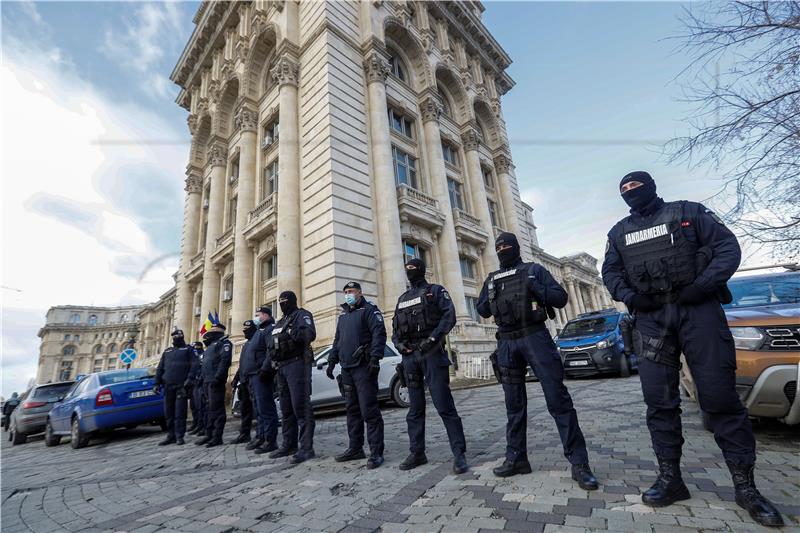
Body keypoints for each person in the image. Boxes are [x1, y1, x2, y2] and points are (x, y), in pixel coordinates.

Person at [602, 171, 783, 527]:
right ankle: (671, 480)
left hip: (697, 310)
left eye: (636, 186)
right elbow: (611, 273)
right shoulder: (618, 233)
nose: (630, 192)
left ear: (652, 187)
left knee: (718, 398)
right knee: (659, 402)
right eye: (624, 189)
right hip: (653, 317)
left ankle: (746, 488)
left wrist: (702, 286)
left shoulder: (690, 212)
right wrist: (629, 296)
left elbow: (727, 248)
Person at [477, 232, 598, 489]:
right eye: (498, 247)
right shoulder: (492, 279)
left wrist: (535, 289)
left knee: (558, 400)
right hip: (507, 343)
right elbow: (482, 309)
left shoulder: (534, 270)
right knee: (514, 405)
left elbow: (560, 298)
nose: (502, 249)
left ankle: (579, 463)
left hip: (535, 338)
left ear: (516, 248)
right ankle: (516, 458)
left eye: (506, 245)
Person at [392, 259, 468, 475]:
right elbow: (395, 329)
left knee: (444, 405)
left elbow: (449, 316)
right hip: (410, 357)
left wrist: (434, 339)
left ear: (422, 270)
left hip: (432, 353)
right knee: (415, 410)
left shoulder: (435, 291)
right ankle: (417, 452)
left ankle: (459, 454)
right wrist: (399, 345)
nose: (410, 272)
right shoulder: (403, 299)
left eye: (413, 269)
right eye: (407, 269)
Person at [327, 281, 387, 469]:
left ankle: (376, 452)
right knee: (352, 410)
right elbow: (338, 340)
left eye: (351, 291)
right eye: (345, 292)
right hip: (347, 369)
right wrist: (331, 361)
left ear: (360, 293)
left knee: (369, 410)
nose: (348, 294)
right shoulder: (343, 315)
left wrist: (375, 357)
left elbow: (379, 333)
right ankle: (355, 448)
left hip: (363, 367)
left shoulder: (369, 310)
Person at [262, 291, 316, 464]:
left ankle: (306, 448)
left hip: (297, 364)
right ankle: (289, 444)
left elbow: (309, 335)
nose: (283, 304)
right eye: (280, 301)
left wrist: (293, 332)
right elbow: (272, 346)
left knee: (301, 406)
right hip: (281, 368)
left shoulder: (302, 315)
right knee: (286, 410)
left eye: (285, 301)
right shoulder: (280, 322)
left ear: (293, 301)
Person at [154, 329, 198, 445]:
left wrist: (190, 378)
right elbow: (160, 368)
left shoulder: (188, 349)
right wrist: (156, 383)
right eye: (175, 336)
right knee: (169, 412)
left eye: (179, 336)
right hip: (168, 386)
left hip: (181, 386)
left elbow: (195, 364)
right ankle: (171, 435)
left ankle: (179, 436)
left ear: (182, 337)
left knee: (180, 412)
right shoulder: (167, 351)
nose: (177, 338)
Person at [247, 306, 279, 454]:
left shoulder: (269, 329)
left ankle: (270, 440)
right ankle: (261, 436)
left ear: (265, 315)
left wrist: (265, 370)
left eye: (257, 315)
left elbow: (270, 351)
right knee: (259, 409)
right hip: (253, 374)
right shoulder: (259, 331)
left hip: (261, 374)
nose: (255, 317)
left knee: (266, 409)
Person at [195, 323, 232, 448]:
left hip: (215, 381)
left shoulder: (224, 343)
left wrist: (218, 377)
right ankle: (209, 434)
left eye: (213, 330)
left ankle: (217, 436)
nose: (209, 333)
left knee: (217, 408)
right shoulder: (210, 346)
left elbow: (225, 361)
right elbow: (204, 364)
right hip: (207, 381)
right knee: (208, 408)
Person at [229, 367, 253, 444]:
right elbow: (242, 365)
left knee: (258, 409)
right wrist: (235, 380)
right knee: (244, 410)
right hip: (244, 382)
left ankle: (262, 437)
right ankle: (244, 434)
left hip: (254, 378)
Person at [188, 341, 206, 436]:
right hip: (193, 384)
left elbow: (201, 369)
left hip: (200, 383)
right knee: (194, 406)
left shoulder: (202, 356)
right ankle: (197, 424)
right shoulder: (193, 358)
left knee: (200, 406)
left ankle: (202, 426)